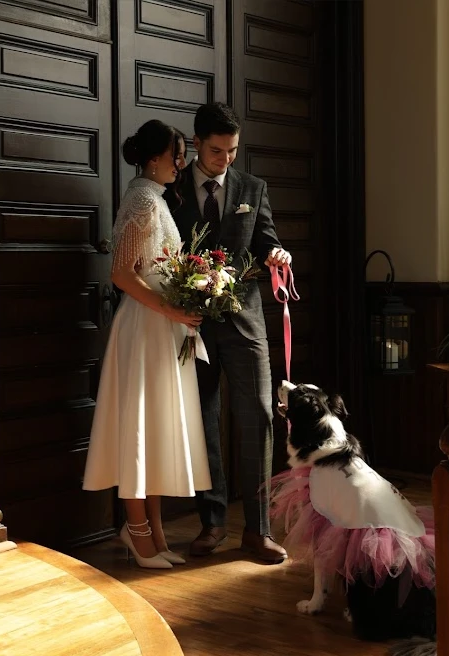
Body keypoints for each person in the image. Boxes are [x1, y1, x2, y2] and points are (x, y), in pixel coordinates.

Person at [83, 119, 211, 569]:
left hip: (161, 326)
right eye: (177, 155)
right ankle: (137, 531)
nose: (181, 164)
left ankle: (154, 533)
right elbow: (121, 274)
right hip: (145, 327)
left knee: (154, 428)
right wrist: (173, 310)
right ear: (155, 157)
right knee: (140, 426)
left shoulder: (153, 196)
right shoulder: (141, 199)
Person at [167, 103, 291, 563]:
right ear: (197, 143)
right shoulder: (171, 188)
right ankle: (212, 523)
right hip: (190, 325)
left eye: (233, 150)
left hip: (244, 320)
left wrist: (277, 254)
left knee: (258, 414)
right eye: (217, 150)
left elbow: (266, 240)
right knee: (202, 421)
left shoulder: (253, 188)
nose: (225, 159)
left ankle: (258, 531)